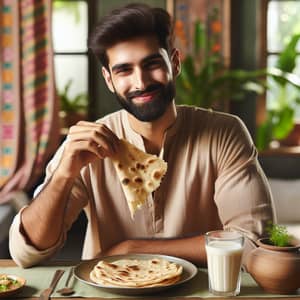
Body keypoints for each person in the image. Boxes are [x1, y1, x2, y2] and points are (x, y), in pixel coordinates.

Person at [9, 3, 274, 268]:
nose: (141, 82)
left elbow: (251, 242)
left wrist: (133, 248)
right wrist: (64, 174)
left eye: (152, 64)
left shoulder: (224, 134)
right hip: (107, 291)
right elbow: (27, 252)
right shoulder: (87, 144)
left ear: (175, 63)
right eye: (124, 70)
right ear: (109, 80)